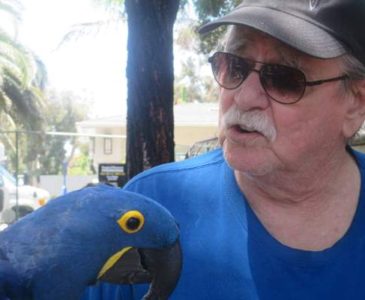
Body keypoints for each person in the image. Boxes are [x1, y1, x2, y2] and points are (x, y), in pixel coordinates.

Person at [83, 0, 365, 299]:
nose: (243, 98)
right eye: (235, 66)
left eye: (284, 79)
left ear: (356, 103)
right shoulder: (148, 206)